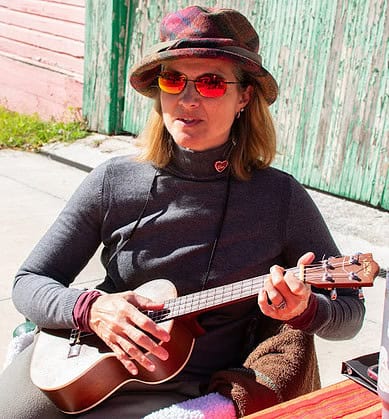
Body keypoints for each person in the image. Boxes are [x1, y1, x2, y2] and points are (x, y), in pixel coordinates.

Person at [0, 5, 365, 418]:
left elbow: (350, 313)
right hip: (88, 359)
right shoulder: (113, 180)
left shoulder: (280, 198)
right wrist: (92, 309)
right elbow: (30, 282)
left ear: (244, 96)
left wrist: (306, 309)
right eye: (173, 80)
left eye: (210, 83)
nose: (187, 99)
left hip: (194, 386)